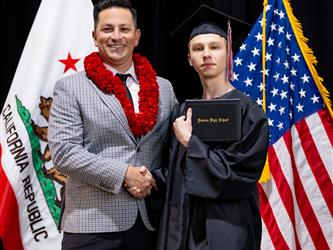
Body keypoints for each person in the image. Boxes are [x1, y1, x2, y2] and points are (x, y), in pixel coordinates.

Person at [48, 0, 177, 249]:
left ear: (137, 36)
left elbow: (172, 151)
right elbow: (64, 154)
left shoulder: (164, 88)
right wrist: (124, 174)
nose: (116, 37)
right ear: (95, 37)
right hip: (91, 226)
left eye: (124, 29)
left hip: (151, 224)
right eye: (107, 29)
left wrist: (156, 179)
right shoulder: (71, 87)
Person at [157, 5, 269, 250]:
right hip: (182, 225)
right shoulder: (181, 111)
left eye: (214, 47)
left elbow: (239, 176)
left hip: (228, 226)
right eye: (198, 49)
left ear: (228, 53)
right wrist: (145, 178)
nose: (206, 54)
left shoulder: (249, 112)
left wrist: (191, 142)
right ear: (189, 59)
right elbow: (173, 172)